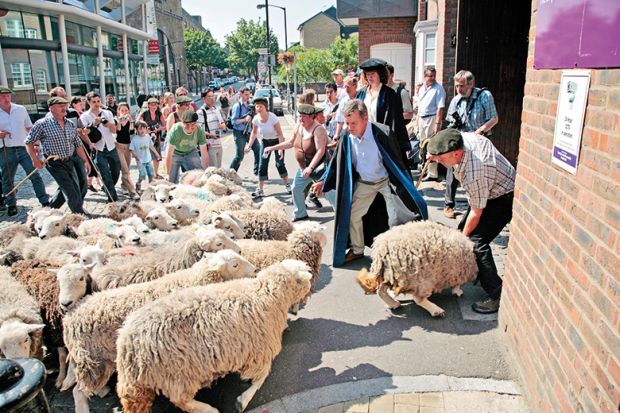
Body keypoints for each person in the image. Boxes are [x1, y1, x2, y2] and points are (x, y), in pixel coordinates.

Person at [311, 99, 428, 267]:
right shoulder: (347, 136)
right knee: (351, 215)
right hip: (365, 182)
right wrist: (323, 180)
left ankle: (396, 255)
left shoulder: (382, 132)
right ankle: (357, 250)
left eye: (353, 123)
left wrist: (406, 184)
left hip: (387, 181)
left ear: (365, 119)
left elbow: (397, 162)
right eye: (347, 122)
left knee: (397, 218)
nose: (349, 127)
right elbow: (337, 160)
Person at [426, 128, 514, 314]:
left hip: (502, 196)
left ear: (456, 153)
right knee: (463, 232)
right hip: (487, 191)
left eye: (441, 159)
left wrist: (460, 242)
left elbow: (476, 211)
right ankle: (477, 272)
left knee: (475, 242)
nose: (439, 163)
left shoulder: (476, 170)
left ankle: (497, 294)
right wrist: (434, 154)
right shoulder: (459, 140)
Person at [265, 104, 335, 222]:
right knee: (296, 188)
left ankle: (342, 214)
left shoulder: (318, 129)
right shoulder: (299, 126)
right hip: (303, 168)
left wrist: (310, 168)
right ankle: (300, 213)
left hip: (318, 169)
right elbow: (291, 142)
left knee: (329, 193)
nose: (300, 119)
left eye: (303, 117)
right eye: (299, 116)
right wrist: (273, 148)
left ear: (311, 116)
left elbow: (321, 150)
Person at [443, 70, 498, 219]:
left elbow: (494, 119)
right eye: (456, 86)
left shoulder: (484, 96)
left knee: (477, 175)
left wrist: (480, 131)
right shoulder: (456, 100)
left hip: (478, 141)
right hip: (461, 141)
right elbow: (450, 122)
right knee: (452, 172)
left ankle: (476, 208)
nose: (459, 89)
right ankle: (448, 204)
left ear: (471, 84)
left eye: (462, 86)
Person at [25, 96, 91, 214]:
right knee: (71, 191)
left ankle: (48, 212)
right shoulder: (42, 124)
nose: (64, 108)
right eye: (60, 106)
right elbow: (28, 142)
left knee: (67, 188)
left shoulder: (70, 124)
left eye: (64, 105)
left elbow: (78, 144)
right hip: (54, 163)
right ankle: (79, 216)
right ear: (51, 108)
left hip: (69, 161)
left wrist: (86, 161)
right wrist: (35, 160)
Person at [0, 86, 49, 216]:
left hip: (24, 148)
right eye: (3, 96)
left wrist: (37, 144)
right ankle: (11, 204)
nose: (6, 98)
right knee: (8, 179)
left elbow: (30, 128)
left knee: (35, 174)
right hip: (6, 149)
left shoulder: (20, 109)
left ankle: (44, 200)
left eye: (8, 95)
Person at [356, 58, 410, 163]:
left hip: (381, 139)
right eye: (367, 74)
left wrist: (386, 142)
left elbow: (393, 122)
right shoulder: (361, 93)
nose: (369, 77)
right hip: (364, 137)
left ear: (380, 74)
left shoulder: (389, 94)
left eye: (373, 74)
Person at [244, 97, 290, 198]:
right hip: (265, 142)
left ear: (266, 107)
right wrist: (249, 145)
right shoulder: (256, 119)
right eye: (257, 107)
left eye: (261, 106)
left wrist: (281, 150)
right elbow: (254, 133)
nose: (258, 108)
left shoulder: (272, 117)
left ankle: (287, 185)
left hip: (277, 141)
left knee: (279, 164)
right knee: (262, 165)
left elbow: (280, 134)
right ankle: (260, 190)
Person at [80, 92, 119, 202]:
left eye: (98, 101)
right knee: (105, 174)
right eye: (94, 102)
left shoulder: (107, 113)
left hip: (111, 146)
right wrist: (93, 124)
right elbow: (84, 133)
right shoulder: (85, 116)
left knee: (116, 171)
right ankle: (113, 199)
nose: (97, 104)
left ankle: (107, 188)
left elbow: (114, 130)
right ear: (88, 102)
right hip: (98, 149)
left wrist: (109, 125)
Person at [417, 67, 446, 181]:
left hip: (432, 119)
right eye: (430, 75)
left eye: (434, 75)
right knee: (422, 146)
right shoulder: (421, 89)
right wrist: (417, 121)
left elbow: (440, 108)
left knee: (431, 146)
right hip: (422, 118)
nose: (432, 78)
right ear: (425, 76)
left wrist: (437, 124)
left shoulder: (438, 89)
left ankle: (433, 173)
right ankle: (424, 169)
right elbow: (420, 106)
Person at [165, 110, 208, 184]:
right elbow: (169, 154)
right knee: (171, 180)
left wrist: (206, 172)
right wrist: (167, 174)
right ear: (182, 123)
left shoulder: (199, 130)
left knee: (199, 176)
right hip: (175, 153)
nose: (190, 127)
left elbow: (204, 154)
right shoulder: (176, 130)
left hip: (191, 151)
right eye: (187, 124)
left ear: (196, 123)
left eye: (193, 124)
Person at [69, 96, 101, 193]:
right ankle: (84, 185)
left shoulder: (77, 114)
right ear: (74, 104)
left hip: (84, 144)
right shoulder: (79, 115)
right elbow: (83, 130)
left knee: (90, 163)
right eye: (79, 104)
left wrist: (89, 143)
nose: (81, 106)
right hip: (75, 147)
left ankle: (89, 183)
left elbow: (82, 131)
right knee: (84, 166)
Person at [229, 87, 259, 175]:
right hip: (239, 133)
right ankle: (230, 173)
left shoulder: (251, 105)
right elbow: (233, 121)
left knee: (258, 150)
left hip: (249, 132)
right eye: (246, 94)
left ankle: (257, 171)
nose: (248, 97)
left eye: (249, 94)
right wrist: (245, 120)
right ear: (241, 94)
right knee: (240, 156)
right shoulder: (237, 106)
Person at [114, 102, 140, 200]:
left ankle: (124, 185)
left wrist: (131, 121)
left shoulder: (129, 120)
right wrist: (120, 121)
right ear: (118, 111)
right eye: (122, 110)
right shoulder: (116, 119)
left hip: (128, 147)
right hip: (119, 147)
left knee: (127, 169)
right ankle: (132, 192)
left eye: (126, 110)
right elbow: (118, 130)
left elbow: (132, 132)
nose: (124, 112)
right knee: (125, 171)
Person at [197, 88, 226, 168]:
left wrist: (223, 126)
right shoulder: (200, 112)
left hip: (219, 144)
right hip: (209, 145)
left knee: (219, 169)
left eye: (213, 96)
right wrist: (211, 135)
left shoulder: (216, 109)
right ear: (203, 98)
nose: (212, 98)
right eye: (209, 97)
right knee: (212, 171)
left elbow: (222, 123)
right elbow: (197, 130)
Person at [138, 97, 166, 177]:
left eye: (155, 105)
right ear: (149, 105)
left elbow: (165, 125)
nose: (154, 106)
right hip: (145, 138)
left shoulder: (159, 113)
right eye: (152, 105)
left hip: (156, 137)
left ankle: (155, 174)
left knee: (156, 156)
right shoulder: (144, 113)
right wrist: (145, 130)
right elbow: (137, 123)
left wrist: (159, 128)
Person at [130, 120, 160, 190]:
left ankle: (151, 187)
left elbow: (151, 146)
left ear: (146, 129)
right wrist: (136, 156)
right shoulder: (135, 139)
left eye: (144, 128)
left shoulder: (147, 137)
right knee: (142, 174)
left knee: (151, 174)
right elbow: (131, 149)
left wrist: (156, 153)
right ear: (136, 129)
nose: (142, 130)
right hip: (140, 161)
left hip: (148, 159)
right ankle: (138, 183)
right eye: (140, 128)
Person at [333, 76, 359, 144]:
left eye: (348, 87)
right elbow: (340, 120)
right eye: (345, 87)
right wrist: (337, 134)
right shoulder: (344, 101)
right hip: (347, 133)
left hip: (360, 132)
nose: (346, 89)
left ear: (355, 86)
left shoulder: (362, 98)